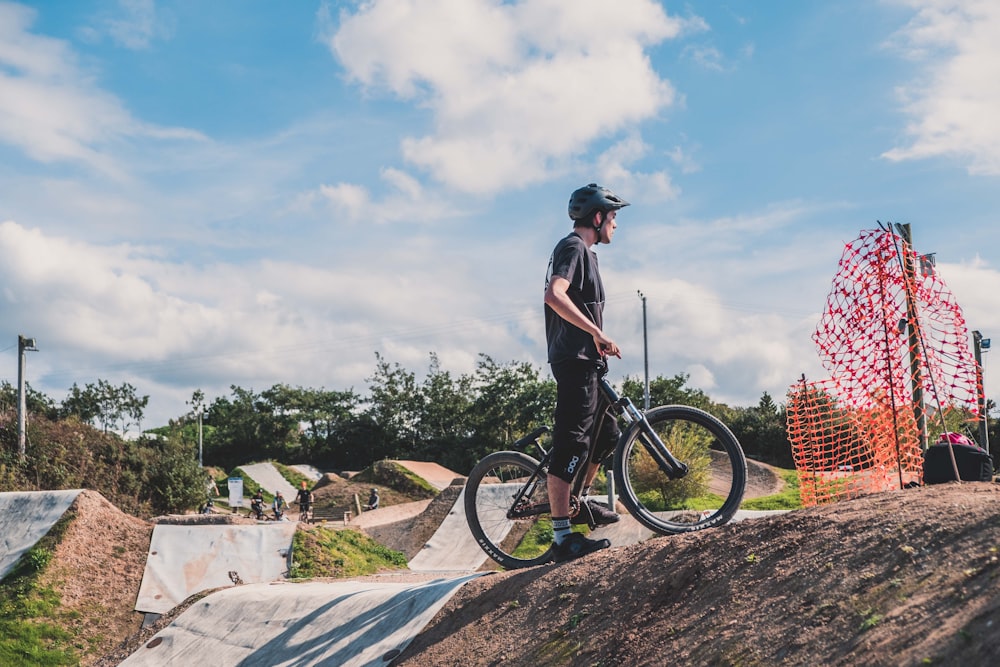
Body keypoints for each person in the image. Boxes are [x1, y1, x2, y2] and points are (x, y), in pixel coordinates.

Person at [543, 183, 629, 563]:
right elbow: (554, 294)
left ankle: (580, 502)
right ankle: (562, 537)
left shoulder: (589, 256)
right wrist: (597, 333)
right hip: (573, 359)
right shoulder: (573, 247)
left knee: (607, 434)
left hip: (588, 360)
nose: (616, 225)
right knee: (572, 443)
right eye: (613, 218)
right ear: (597, 217)